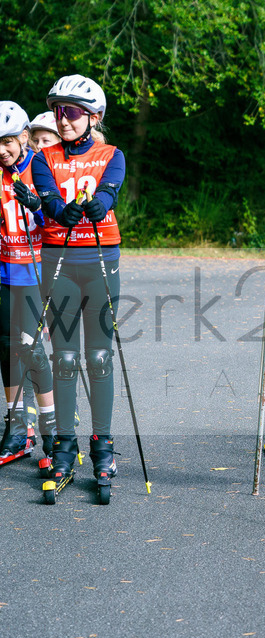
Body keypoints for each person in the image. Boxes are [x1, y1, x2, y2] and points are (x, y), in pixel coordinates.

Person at [14, 75, 126, 489]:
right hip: (58, 260)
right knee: (63, 359)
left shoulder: (112, 153)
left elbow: (111, 188)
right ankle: (63, 446)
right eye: (58, 111)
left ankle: (102, 445)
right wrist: (60, 212)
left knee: (98, 358)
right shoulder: (45, 158)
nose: (63, 119)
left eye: (72, 112)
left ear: (93, 117)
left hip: (99, 261)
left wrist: (102, 202)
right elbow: (49, 201)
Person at [0, 101, 58, 465]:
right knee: (6, 347)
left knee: (31, 349)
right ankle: (17, 428)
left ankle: (53, 432)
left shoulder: (41, 168)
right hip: (5, 272)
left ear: (24, 137)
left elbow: (60, 220)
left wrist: (36, 204)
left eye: (6, 141)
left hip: (36, 274)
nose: (1, 151)